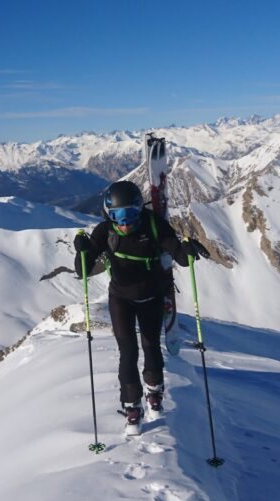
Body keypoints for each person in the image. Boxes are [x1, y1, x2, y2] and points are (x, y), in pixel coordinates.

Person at [73, 180, 210, 431]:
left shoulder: (154, 225)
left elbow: (178, 255)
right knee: (128, 352)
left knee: (150, 346)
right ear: (107, 213)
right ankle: (132, 407)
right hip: (121, 299)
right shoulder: (105, 231)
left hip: (151, 297)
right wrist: (81, 250)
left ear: (139, 209)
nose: (124, 222)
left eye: (130, 214)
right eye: (117, 215)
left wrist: (187, 250)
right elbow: (82, 270)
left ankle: (154, 394)